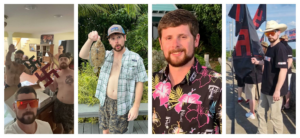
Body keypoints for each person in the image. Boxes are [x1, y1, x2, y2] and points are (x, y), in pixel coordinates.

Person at [152, 9, 222, 134]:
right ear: (161, 43)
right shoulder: (153, 82)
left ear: (196, 40)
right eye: (168, 38)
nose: (175, 44)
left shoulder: (217, 85)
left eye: (182, 37)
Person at [79, 25, 147, 134]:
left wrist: (136, 106)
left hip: (122, 104)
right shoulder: (104, 55)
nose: (116, 41)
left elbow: (140, 82)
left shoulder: (136, 58)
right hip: (104, 101)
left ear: (124, 37)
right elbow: (82, 55)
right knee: (105, 131)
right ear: (109, 41)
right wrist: (90, 39)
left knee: (116, 133)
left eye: (119, 37)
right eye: (113, 38)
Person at [252, 20, 288, 134]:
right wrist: (258, 62)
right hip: (265, 88)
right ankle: (262, 133)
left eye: (272, 32)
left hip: (274, 91)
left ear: (278, 32)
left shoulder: (280, 48)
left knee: (275, 117)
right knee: (260, 113)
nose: (270, 35)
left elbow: (283, 70)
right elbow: (268, 63)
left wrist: (277, 90)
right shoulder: (270, 48)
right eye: (268, 33)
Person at [47, 53, 74, 134]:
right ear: (58, 61)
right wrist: (46, 80)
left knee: (68, 129)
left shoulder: (74, 73)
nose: (63, 61)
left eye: (65, 59)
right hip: (58, 104)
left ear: (69, 61)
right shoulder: (57, 74)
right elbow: (53, 88)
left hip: (70, 107)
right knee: (58, 124)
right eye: (61, 59)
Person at [280, 35, 293, 110]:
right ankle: (286, 104)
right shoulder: (288, 47)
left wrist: (284, 70)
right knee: (286, 88)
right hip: (287, 71)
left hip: (285, 71)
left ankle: (284, 104)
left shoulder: (284, 47)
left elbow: (290, 60)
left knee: (284, 88)